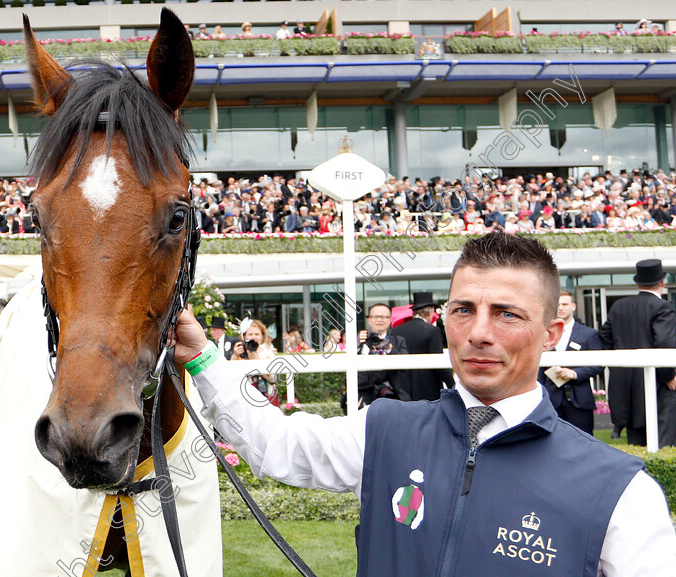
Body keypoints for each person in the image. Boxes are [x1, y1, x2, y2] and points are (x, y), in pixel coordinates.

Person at [171, 233, 676, 576]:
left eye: (506, 314)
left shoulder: (622, 493)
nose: (478, 333)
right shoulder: (385, 430)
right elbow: (275, 444)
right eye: (463, 310)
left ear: (549, 334)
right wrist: (201, 358)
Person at [599, 259, 676, 446]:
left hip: (626, 383)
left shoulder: (619, 306)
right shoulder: (663, 307)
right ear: (663, 283)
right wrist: (668, 375)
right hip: (659, 384)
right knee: (663, 441)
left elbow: (604, 337)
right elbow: (665, 342)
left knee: (636, 442)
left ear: (637, 283)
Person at [537, 290, 603, 436]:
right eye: (557, 304)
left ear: (573, 306)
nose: (560, 308)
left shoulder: (588, 334)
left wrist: (574, 373)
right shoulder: (543, 333)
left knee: (583, 441)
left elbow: (598, 364)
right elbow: (537, 366)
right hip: (551, 399)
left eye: (565, 304)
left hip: (579, 399)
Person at [389, 292, 454, 401]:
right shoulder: (432, 331)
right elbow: (438, 363)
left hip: (402, 391)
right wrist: (452, 385)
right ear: (429, 311)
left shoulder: (396, 330)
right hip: (428, 390)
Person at [350, 304, 408, 411]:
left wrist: (389, 348)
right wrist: (358, 345)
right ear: (369, 320)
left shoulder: (399, 341)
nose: (380, 320)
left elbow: (405, 366)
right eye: (375, 317)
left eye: (384, 317)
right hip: (365, 396)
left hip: (393, 395)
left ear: (390, 320)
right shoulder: (360, 340)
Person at [230, 318, 279, 407]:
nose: (254, 337)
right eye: (250, 334)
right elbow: (229, 375)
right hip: (244, 396)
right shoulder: (241, 353)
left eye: (257, 334)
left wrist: (256, 360)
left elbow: (273, 378)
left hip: (265, 396)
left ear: (262, 336)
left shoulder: (267, 353)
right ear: (244, 336)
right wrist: (235, 355)